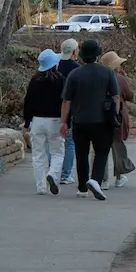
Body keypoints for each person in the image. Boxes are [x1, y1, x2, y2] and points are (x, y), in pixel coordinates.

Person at [59, 39, 118, 201]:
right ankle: (95, 180)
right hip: (102, 120)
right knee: (101, 152)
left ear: (81, 56)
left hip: (80, 120)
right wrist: (115, 115)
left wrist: (63, 121)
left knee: (81, 154)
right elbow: (116, 96)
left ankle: (82, 188)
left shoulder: (74, 74)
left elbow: (66, 101)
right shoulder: (107, 72)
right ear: (98, 55)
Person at [21, 48, 65, 195]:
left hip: (37, 121)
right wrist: (66, 121)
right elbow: (65, 101)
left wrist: (27, 122)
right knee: (57, 152)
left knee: (38, 155)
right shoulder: (60, 79)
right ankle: (52, 173)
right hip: (55, 120)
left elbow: (28, 102)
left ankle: (40, 187)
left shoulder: (35, 80)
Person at [100, 51, 136, 186]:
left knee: (101, 149)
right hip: (116, 115)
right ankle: (119, 176)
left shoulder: (99, 78)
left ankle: (102, 179)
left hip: (101, 116)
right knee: (118, 146)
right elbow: (129, 96)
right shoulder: (119, 79)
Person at [54, 38, 80, 183]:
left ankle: (53, 171)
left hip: (54, 110)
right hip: (71, 110)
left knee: (54, 143)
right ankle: (66, 174)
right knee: (69, 142)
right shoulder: (77, 69)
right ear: (74, 52)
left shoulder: (56, 65)